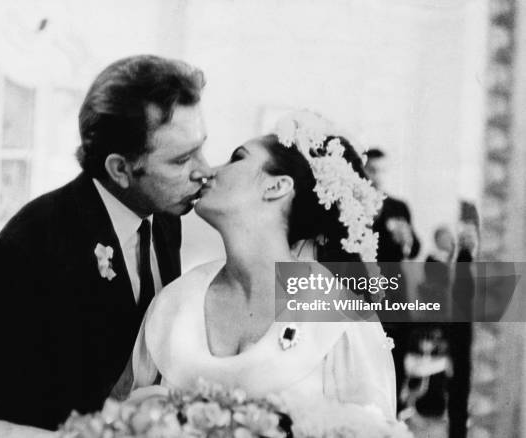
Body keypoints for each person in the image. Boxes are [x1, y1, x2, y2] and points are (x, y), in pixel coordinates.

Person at [0, 55, 212, 430]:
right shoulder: (27, 249)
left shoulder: (167, 217)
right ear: (120, 169)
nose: (206, 170)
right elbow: (17, 408)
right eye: (182, 159)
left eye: (201, 148)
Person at [130, 111, 397, 433]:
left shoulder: (340, 318)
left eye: (236, 158)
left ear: (276, 187)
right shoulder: (174, 302)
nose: (207, 171)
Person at [364, 147, 420, 415]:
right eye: (372, 169)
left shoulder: (398, 207)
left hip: (396, 292)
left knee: (396, 356)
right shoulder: (354, 203)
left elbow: (415, 247)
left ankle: (393, 415)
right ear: (363, 170)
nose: (378, 175)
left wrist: (406, 240)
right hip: (364, 292)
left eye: (382, 170)